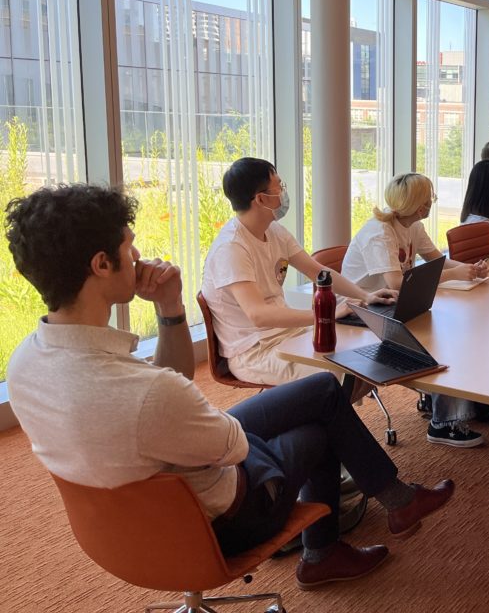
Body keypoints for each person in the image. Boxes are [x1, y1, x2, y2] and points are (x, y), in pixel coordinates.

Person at [4, 184, 455, 589]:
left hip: (127, 518)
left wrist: (169, 306)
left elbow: (176, 385)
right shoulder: (144, 394)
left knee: (321, 389)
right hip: (220, 517)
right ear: (102, 264)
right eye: (129, 246)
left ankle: (384, 509)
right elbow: (233, 447)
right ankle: (333, 545)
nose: (139, 253)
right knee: (319, 430)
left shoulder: (24, 363)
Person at [201, 157, 397, 386]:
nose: (284, 193)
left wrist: (366, 296)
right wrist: (325, 317)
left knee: (365, 350)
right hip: (253, 352)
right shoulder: (231, 248)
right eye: (279, 187)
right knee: (336, 374)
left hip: (287, 335)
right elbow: (259, 315)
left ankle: (330, 416)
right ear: (261, 199)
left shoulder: (274, 231)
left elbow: (318, 272)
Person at [342, 172, 489, 448]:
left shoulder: (413, 227)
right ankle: (444, 423)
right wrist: (453, 274)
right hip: (360, 310)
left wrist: (465, 270)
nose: (431, 203)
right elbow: (395, 282)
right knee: (446, 337)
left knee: (454, 326)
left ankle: (448, 401)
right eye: (428, 199)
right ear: (416, 205)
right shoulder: (379, 232)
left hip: (392, 303)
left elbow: (436, 260)